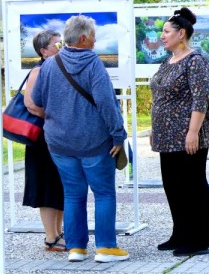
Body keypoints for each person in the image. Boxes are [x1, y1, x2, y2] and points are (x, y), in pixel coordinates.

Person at [31, 15, 129, 263]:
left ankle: (76, 248)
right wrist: (118, 134)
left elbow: (38, 99)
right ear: (84, 38)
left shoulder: (50, 64)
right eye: (94, 36)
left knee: (73, 195)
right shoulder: (93, 64)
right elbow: (107, 103)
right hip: (94, 142)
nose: (96, 41)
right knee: (104, 193)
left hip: (60, 144)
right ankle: (106, 247)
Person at [150, 7, 209, 257]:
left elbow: (201, 99)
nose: (162, 36)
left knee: (194, 185)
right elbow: (160, 97)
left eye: (166, 31)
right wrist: (155, 130)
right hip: (167, 136)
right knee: (173, 186)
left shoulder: (195, 61)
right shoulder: (167, 61)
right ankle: (180, 233)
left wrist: (193, 132)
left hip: (188, 136)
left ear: (182, 33)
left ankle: (199, 239)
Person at [23, 30, 65, 252]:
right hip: (42, 138)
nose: (62, 47)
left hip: (55, 136)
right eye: (57, 45)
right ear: (44, 50)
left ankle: (58, 233)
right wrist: (55, 117)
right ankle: (51, 237)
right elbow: (30, 104)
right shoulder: (39, 71)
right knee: (48, 186)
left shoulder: (56, 68)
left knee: (59, 186)